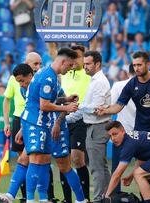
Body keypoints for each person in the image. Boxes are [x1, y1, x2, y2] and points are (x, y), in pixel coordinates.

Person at [97, 51, 150, 203]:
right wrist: (106, 110)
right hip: (141, 132)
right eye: (134, 65)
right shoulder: (132, 84)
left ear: (148, 64)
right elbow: (119, 106)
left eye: (139, 65)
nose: (137, 68)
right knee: (141, 172)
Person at [21, 48, 78, 203]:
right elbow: (44, 105)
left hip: (41, 123)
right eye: (70, 65)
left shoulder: (49, 75)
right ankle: (30, 199)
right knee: (35, 161)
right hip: (36, 123)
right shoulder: (48, 78)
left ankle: (44, 198)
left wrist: (65, 99)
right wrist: (66, 108)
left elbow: (49, 101)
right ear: (63, 62)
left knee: (45, 162)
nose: (71, 68)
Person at [67, 50, 112, 202]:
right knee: (101, 167)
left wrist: (77, 107)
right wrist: (68, 116)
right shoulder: (94, 80)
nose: (84, 66)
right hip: (95, 127)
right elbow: (87, 108)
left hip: (97, 127)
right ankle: (106, 197)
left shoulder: (99, 82)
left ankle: (99, 199)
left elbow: (96, 109)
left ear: (97, 64)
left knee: (96, 168)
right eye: (84, 63)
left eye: (88, 64)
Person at [0, 54, 41, 201]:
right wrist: (6, 122)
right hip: (19, 120)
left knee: (37, 160)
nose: (38, 67)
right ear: (27, 63)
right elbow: (7, 100)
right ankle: (25, 197)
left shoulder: (40, 79)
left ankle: (44, 196)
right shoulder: (14, 78)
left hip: (35, 122)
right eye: (35, 64)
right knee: (24, 160)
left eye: (39, 64)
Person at [60, 45, 91, 203]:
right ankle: (67, 199)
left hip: (80, 119)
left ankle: (85, 198)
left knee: (77, 159)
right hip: (63, 119)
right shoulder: (64, 73)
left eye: (78, 56)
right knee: (63, 158)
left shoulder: (87, 73)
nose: (75, 60)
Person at [109, 63, 136, 192]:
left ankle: (114, 197)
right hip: (141, 133)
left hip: (122, 133)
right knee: (144, 169)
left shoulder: (118, 85)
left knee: (116, 169)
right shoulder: (146, 85)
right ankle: (146, 198)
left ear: (127, 71)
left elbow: (111, 107)